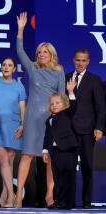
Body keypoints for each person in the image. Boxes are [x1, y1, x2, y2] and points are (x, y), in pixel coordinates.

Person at [15, 12, 65, 208]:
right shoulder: (33, 68)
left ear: (51, 54)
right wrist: (20, 30)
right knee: (27, 156)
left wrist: (58, 118)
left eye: (45, 52)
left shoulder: (59, 71)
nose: (42, 54)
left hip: (50, 119)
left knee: (50, 159)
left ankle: (50, 195)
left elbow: (60, 98)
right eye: (39, 52)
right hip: (33, 118)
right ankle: (18, 196)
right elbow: (20, 51)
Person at [65, 48, 106, 209]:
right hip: (68, 130)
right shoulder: (66, 77)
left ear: (88, 62)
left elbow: (101, 107)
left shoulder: (95, 80)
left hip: (88, 130)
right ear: (73, 60)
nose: (80, 63)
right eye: (78, 60)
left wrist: (99, 127)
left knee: (87, 165)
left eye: (83, 60)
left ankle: (87, 201)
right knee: (68, 166)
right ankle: (69, 200)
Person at [0, 57, 26, 207]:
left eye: (10, 65)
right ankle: (12, 195)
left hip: (13, 125)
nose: (6, 67)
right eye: (4, 65)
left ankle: (3, 196)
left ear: (14, 69)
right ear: (1, 68)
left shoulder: (19, 86)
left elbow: (22, 107)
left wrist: (23, 124)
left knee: (10, 159)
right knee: (2, 159)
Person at [42, 80, 78, 210]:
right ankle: (59, 201)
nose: (54, 105)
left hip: (67, 150)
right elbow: (47, 136)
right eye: (52, 104)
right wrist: (45, 151)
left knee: (68, 176)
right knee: (58, 177)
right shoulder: (48, 120)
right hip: (55, 151)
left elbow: (74, 106)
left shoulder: (67, 113)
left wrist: (70, 92)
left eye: (57, 103)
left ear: (64, 104)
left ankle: (68, 202)